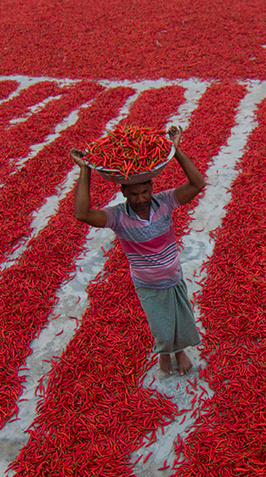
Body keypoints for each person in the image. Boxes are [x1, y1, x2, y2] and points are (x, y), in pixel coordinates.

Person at [68, 125, 204, 375]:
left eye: (144, 192)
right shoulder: (118, 217)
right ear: (123, 192)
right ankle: (165, 351)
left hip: (173, 275)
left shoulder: (165, 201)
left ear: (152, 188)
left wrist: (176, 150)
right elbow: (82, 214)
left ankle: (179, 350)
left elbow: (197, 184)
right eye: (134, 195)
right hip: (147, 282)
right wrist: (85, 170)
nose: (140, 199)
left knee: (179, 315)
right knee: (160, 322)